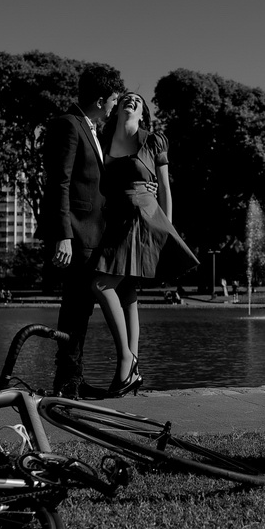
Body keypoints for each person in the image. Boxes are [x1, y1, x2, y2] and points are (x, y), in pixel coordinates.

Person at [92, 92, 199, 397]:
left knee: (100, 285)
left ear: (143, 113)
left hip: (142, 216)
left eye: (138, 101)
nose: (132, 101)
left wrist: (167, 229)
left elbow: (164, 187)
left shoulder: (153, 141)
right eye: (127, 98)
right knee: (125, 289)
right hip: (113, 220)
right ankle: (132, 368)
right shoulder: (102, 138)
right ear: (118, 108)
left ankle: (126, 358)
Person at [36, 63, 125, 399]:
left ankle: (71, 381)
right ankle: (67, 383)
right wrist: (64, 235)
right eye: (114, 99)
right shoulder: (68, 125)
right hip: (76, 233)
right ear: (101, 99)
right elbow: (59, 181)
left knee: (80, 308)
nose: (115, 105)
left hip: (92, 235)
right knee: (74, 308)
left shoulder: (93, 130)